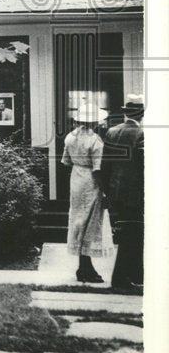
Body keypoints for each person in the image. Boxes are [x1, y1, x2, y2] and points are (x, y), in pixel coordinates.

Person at [61, 101, 114, 283]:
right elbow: (98, 169)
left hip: (76, 178)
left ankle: (84, 265)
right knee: (90, 221)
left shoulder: (70, 136)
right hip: (91, 180)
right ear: (94, 122)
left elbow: (66, 162)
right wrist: (105, 191)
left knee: (78, 220)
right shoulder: (95, 140)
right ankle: (85, 267)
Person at [102, 94, 144, 291]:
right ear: (142, 113)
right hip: (135, 194)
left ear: (127, 112)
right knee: (132, 236)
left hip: (116, 192)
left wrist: (106, 190)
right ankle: (121, 279)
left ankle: (135, 275)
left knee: (129, 233)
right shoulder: (142, 133)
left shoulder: (112, 132)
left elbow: (105, 165)